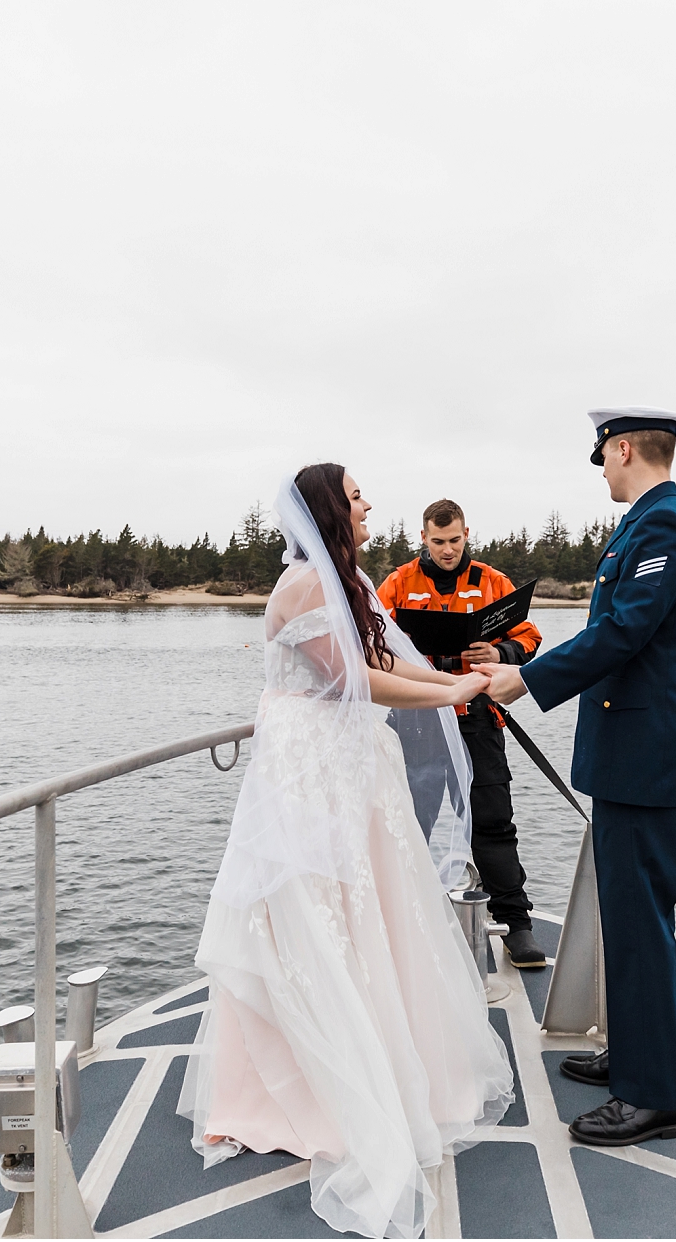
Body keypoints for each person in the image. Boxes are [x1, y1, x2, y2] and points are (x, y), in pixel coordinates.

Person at [179, 463, 515, 1239]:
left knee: (369, 914)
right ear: (332, 508)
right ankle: (295, 1087)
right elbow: (352, 678)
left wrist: (450, 679)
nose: (369, 505)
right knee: (309, 916)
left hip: (347, 765)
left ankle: (387, 1056)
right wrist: (452, 695)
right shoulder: (302, 587)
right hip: (306, 771)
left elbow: (387, 663)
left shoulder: (346, 577)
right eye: (358, 495)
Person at [473, 408, 676, 1149]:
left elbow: (623, 631)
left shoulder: (664, 527)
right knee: (628, 923)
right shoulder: (644, 525)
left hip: (647, 760)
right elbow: (614, 634)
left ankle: (656, 1096)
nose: (602, 467)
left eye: (604, 455)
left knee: (642, 928)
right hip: (630, 757)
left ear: (626, 446)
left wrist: (526, 679)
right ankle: (635, 1058)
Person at [376, 499, 548, 970]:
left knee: (493, 821)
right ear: (424, 538)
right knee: (410, 823)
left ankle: (516, 925)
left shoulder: (494, 582)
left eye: (455, 541)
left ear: (466, 533)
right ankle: (398, 923)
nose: (448, 550)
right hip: (417, 719)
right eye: (438, 541)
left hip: (478, 718)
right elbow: (371, 642)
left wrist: (499, 651)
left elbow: (530, 639)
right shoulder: (398, 583)